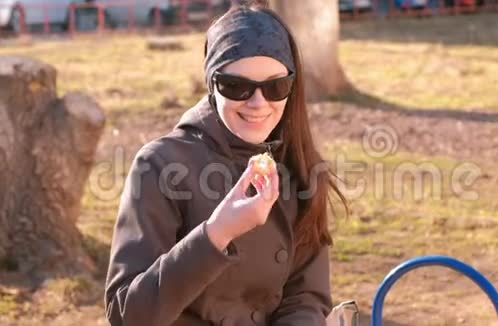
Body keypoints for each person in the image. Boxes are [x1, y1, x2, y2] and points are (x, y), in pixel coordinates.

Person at [104, 1, 348, 325]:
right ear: (212, 83)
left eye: (276, 86)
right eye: (237, 86)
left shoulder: (297, 163)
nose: (258, 103)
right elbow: (127, 314)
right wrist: (217, 234)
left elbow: (306, 295)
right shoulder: (160, 166)